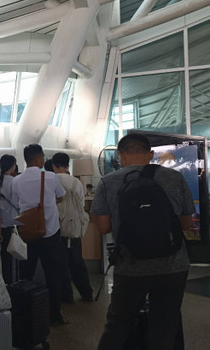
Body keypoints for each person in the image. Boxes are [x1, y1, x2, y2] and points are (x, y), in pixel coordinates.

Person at [92, 134, 194, 350]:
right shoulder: (174, 178)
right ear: (150, 154)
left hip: (130, 267)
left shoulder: (108, 182)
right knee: (165, 326)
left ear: (120, 156)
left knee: (118, 325)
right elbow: (186, 223)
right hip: (173, 265)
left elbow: (103, 227)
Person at [11, 144, 68, 326]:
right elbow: (61, 196)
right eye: (42, 157)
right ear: (37, 159)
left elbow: (15, 203)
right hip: (50, 232)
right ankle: (54, 316)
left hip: (27, 233)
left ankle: (26, 314)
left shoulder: (16, 181)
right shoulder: (50, 177)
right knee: (53, 274)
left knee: (26, 274)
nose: (44, 160)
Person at [52, 152, 94, 302]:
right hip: (74, 226)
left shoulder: (52, 179)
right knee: (77, 260)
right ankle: (86, 292)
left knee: (60, 262)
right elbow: (81, 204)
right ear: (67, 165)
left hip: (57, 226)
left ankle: (66, 295)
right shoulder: (76, 182)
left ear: (53, 166)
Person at [0, 154, 18, 284]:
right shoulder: (14, 181)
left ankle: (4, 282)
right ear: (13, 166)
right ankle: (12, 282)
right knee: (13, 254)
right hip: (12, 221)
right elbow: (17, 203)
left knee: (3, 256)